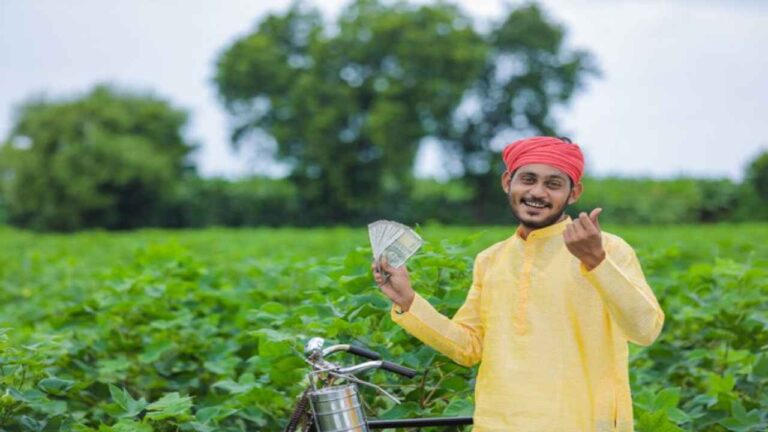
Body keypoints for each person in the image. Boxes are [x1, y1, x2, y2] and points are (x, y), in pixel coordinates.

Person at [371, 136, 665, 432]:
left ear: (574, 192)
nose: (537, 192)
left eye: (553, 184)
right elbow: (469, 347)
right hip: (497, 423)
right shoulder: (491, 260)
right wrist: (408, 302)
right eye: (528, 179)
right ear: (507, 182)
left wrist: (596, 262)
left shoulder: (608, 249)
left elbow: (644, 330)